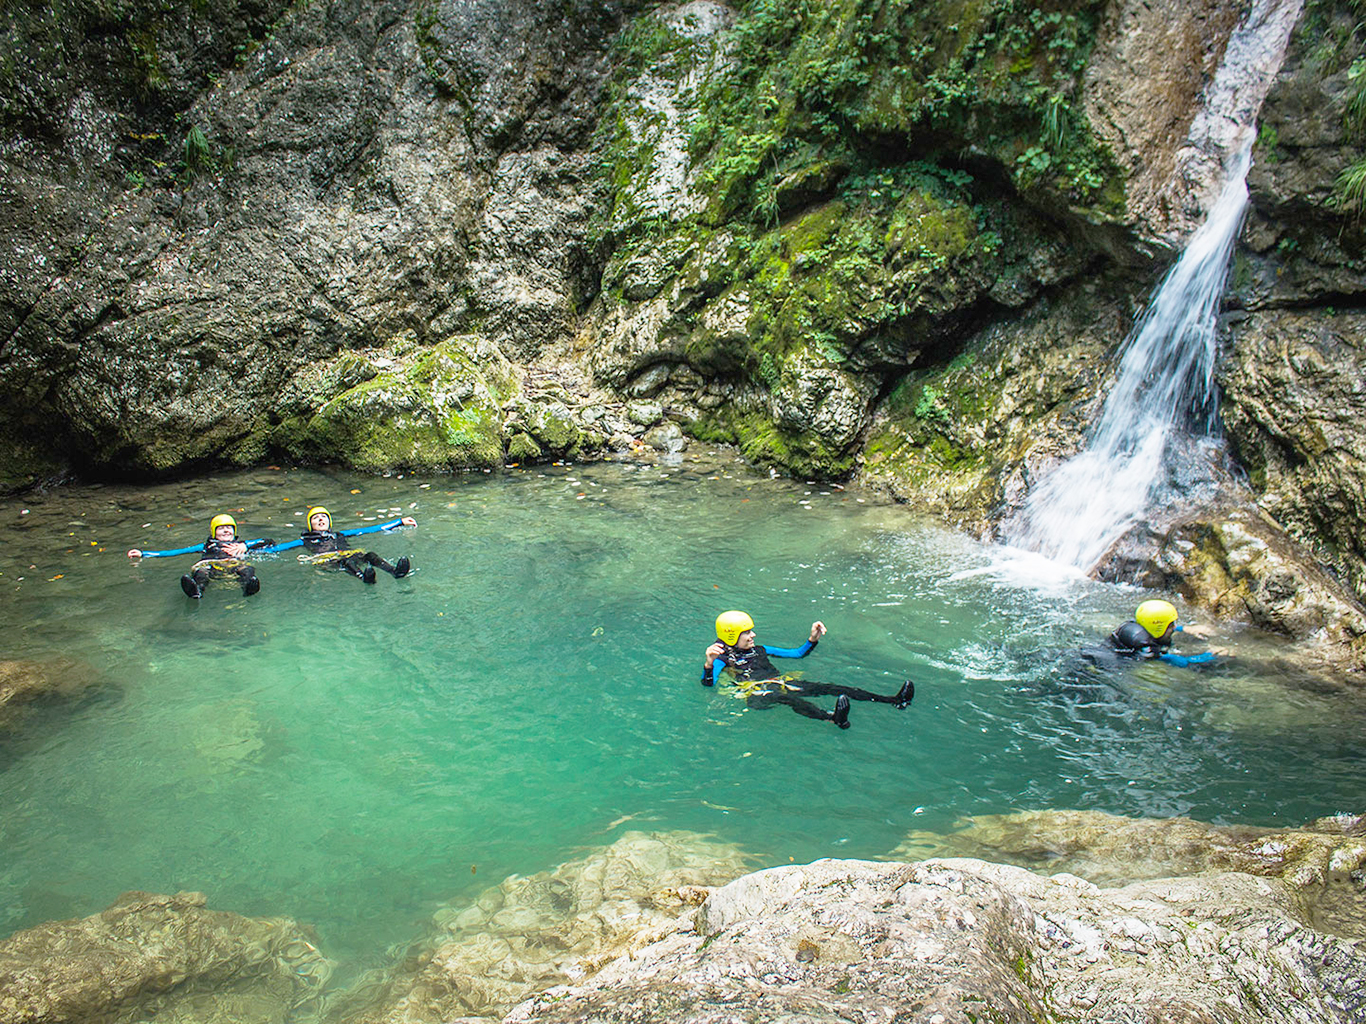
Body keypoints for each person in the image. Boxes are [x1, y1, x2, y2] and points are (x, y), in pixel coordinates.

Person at [701, 610, 914, 729]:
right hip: (755, 694)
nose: (753, 635)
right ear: (731, 635)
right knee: (792, 700)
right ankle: (832, 718)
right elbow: (708, 685)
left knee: (831, 688)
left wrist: (812, 639)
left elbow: (797, 654)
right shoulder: (721, 659)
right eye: (746, 632)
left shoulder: (760, 649)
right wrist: (709, 663)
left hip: (780, 682)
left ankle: (893, 700)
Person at [127, 513, 271, 599]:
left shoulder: (242, 545)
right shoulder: (204, 547)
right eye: (221, 528)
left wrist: (245, 546)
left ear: (234, 532)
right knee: (201, 570)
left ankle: (248, 587)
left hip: (232, 564)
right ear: (214, 533)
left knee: (246, 569)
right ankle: (197, 590)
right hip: (210, 565)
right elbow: (175, 552)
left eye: (229, 528)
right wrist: (144, 553)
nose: (226, 530)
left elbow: (269, 542)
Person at [297, 506, 416, 584]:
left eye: (324, 517)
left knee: (370, 555)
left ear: (329, 522)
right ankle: (364, 578)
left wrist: (399, 522)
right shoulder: (306, 540)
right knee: (347, 562)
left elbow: (371, 529)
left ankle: (395, 571)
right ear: (310, 524)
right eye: (315, 518)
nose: (320, 519)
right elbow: (282, 547)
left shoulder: (339, 535)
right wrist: (276, 546)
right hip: (330, 562)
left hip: (349, 556)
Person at [1098, 599, 1227, 667]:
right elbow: (1184, 662)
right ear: (1158, 627)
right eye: (1171, 626)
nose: (1174, 627)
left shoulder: (1129, 628)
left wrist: (1185, 629)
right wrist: (1212, 655)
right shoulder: (1147, 649)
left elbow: (1157, 628)